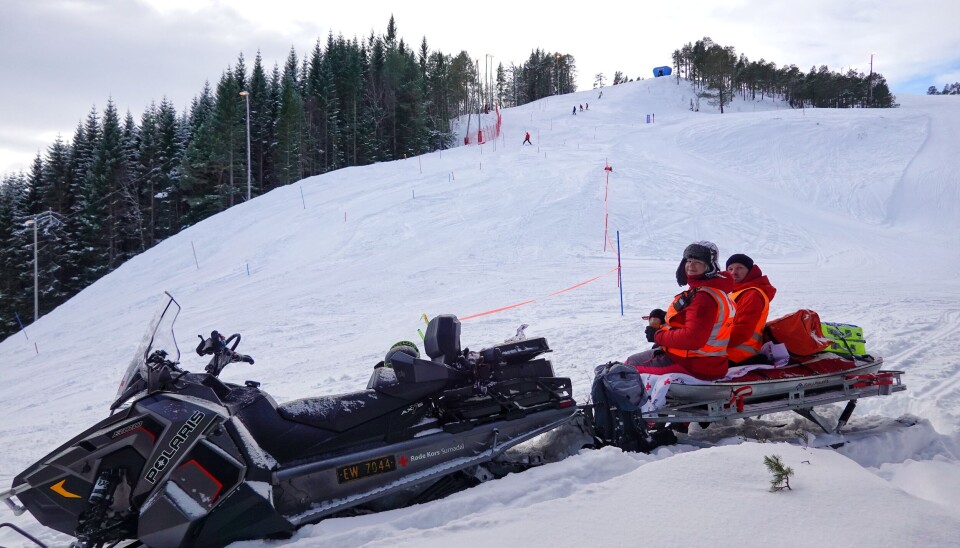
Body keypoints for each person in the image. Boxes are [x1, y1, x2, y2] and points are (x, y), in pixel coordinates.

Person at [624, 241, 736, 380]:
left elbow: (693, 338)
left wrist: (657, 335)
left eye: (698, 262)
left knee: (626, 369)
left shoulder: (704, 297)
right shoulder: (710, 291)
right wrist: (664, 317)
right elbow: (696, 322)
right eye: (689, 260)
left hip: (694, 364)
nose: (690, 265)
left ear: (709, 266)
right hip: (707, 362)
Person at [725, 253, 777, 365]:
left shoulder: (752, 294)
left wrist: (711, 342)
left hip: (737, 354)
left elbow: (742, 331)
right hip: (726, 349)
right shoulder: (734, 292)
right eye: (730, 269)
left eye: (739, 268)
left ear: (750, 271)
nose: (734, 272)